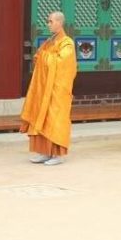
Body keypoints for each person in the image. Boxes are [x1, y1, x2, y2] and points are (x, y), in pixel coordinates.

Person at [19, 11, 77, 165]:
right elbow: (39, 56)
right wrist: (42, 56)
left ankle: (57, 155)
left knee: (54, 119)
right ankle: (44, 152)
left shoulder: (67, 43)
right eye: (48, 21)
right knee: (42, 117)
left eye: (51, 21)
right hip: (45, 88)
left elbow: (62, 63)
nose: (48, 24)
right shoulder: (49, 42)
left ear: (59, 22)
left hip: (58, 89)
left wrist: (43, 57)